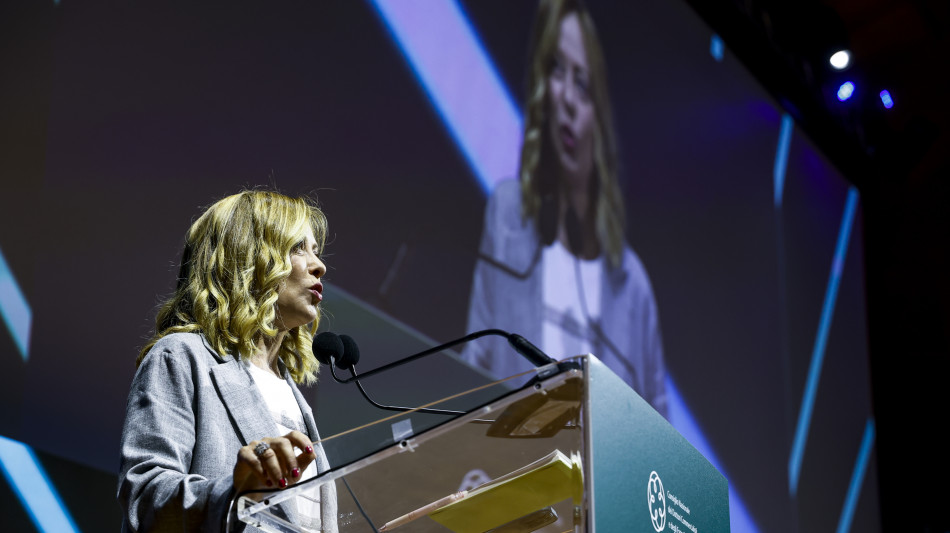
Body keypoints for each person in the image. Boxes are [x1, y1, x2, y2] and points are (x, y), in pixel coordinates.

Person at [462, 0, 668, 418]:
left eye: (584, 84)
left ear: (601, 115)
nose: (569, 98)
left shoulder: (633, 287)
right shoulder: (508, 215)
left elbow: (659, 429)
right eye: (557, 70)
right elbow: (474, 363)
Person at [118, 189, 338, 532]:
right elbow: (145, 498)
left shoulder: (292, 394)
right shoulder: (181, 357)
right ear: (248, 256)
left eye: (316, 251)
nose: (319, 265)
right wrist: (233, 492)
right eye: (297, 248)